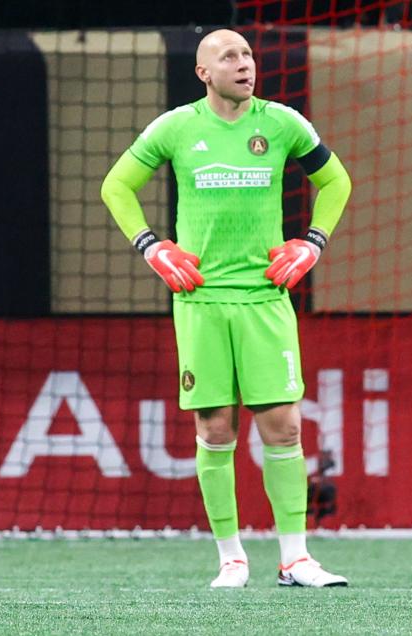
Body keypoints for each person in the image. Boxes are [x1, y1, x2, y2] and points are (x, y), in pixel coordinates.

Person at [101, 29, 352, 589]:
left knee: (284, 427)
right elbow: (116, 185)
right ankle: (231, 558)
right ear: (203, 73)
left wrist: (312, 243)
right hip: (202, 301)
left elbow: (336, 181)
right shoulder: (176, 127)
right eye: (229, 57)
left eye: (248, 55)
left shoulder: (284, 122)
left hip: (265, 297)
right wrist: (153, 245)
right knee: (215, 429)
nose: (244, 65)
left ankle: (296, 559)